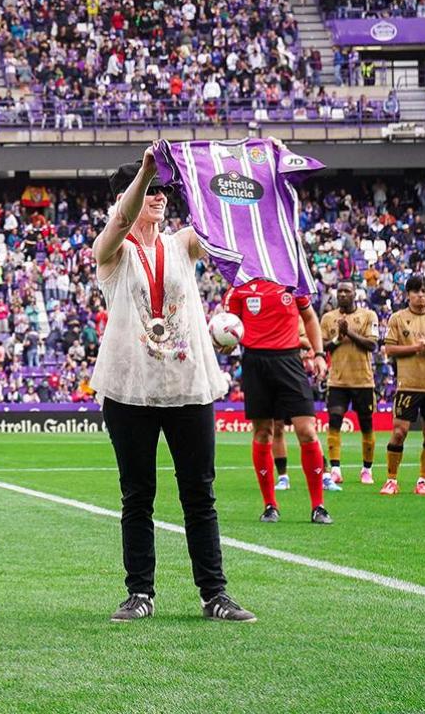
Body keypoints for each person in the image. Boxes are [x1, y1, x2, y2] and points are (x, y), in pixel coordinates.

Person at [91, 150, 254, 623]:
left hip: (187, 385)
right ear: (128, 196)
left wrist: (220, 178)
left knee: (199, 494)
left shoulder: (182, 242)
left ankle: (215, 593)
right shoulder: (114, 252)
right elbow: (118, 226)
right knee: (138, 495)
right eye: (150, 191)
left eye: (164, 190)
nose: (159, 197)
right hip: (130, 388)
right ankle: (140, 592)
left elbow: (220, 233)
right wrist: (145, 171)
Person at [226, 274, 332, 524]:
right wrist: (225, 343)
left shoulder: (291, 279)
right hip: (254, 362)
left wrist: (318, 354)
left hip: (289, 361)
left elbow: (309, 318)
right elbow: (229, 326)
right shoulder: (240, 284)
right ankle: (270, 505)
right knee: (263, 432)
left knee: (307, 430)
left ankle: (318, 506)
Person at [380, 276, 425, 496]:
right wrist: (415, 348)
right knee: (399, 432)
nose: (420, 295)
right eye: (415, 291)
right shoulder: (398, 318)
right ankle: (391, 480)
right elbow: (389, 350)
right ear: (408, 294)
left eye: (424, 291)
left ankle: (423, 481)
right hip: (408, 385)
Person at [319, 282, 380, 485]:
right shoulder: (328, 318)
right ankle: (336, 469)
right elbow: (322, 346)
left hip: (363, 381)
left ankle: (367, 470)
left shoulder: (368, 316)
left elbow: (372, 345)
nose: (343, 294)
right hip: (337, 381)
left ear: (355, 294)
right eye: (340, 291)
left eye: (347, 291)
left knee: (366, 425)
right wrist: (338, 338)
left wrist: (349, 333)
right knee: (334, 422)